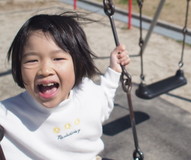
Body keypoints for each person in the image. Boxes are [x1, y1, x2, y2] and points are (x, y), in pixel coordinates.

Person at [0, 12, 130, 160]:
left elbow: (104, 102)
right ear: (18, 68)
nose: (45, 70)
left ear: (78, 62)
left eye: (58, 58)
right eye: (32, 60)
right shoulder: (7, 115)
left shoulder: (87, 92)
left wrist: (114, 71)